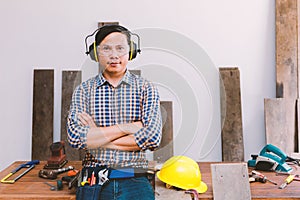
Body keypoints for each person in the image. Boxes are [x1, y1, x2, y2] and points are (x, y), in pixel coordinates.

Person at [67, 24, 162, 200]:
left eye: (120, 48)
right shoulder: (84, 91)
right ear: (96, 53)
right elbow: (76, 137)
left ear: (130, 52)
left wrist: (96, 135)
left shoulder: (146, 88)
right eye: (106, 49)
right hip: (93, 178)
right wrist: (127, 127)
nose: (114, 55)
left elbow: (152, 138)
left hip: (135, 177)